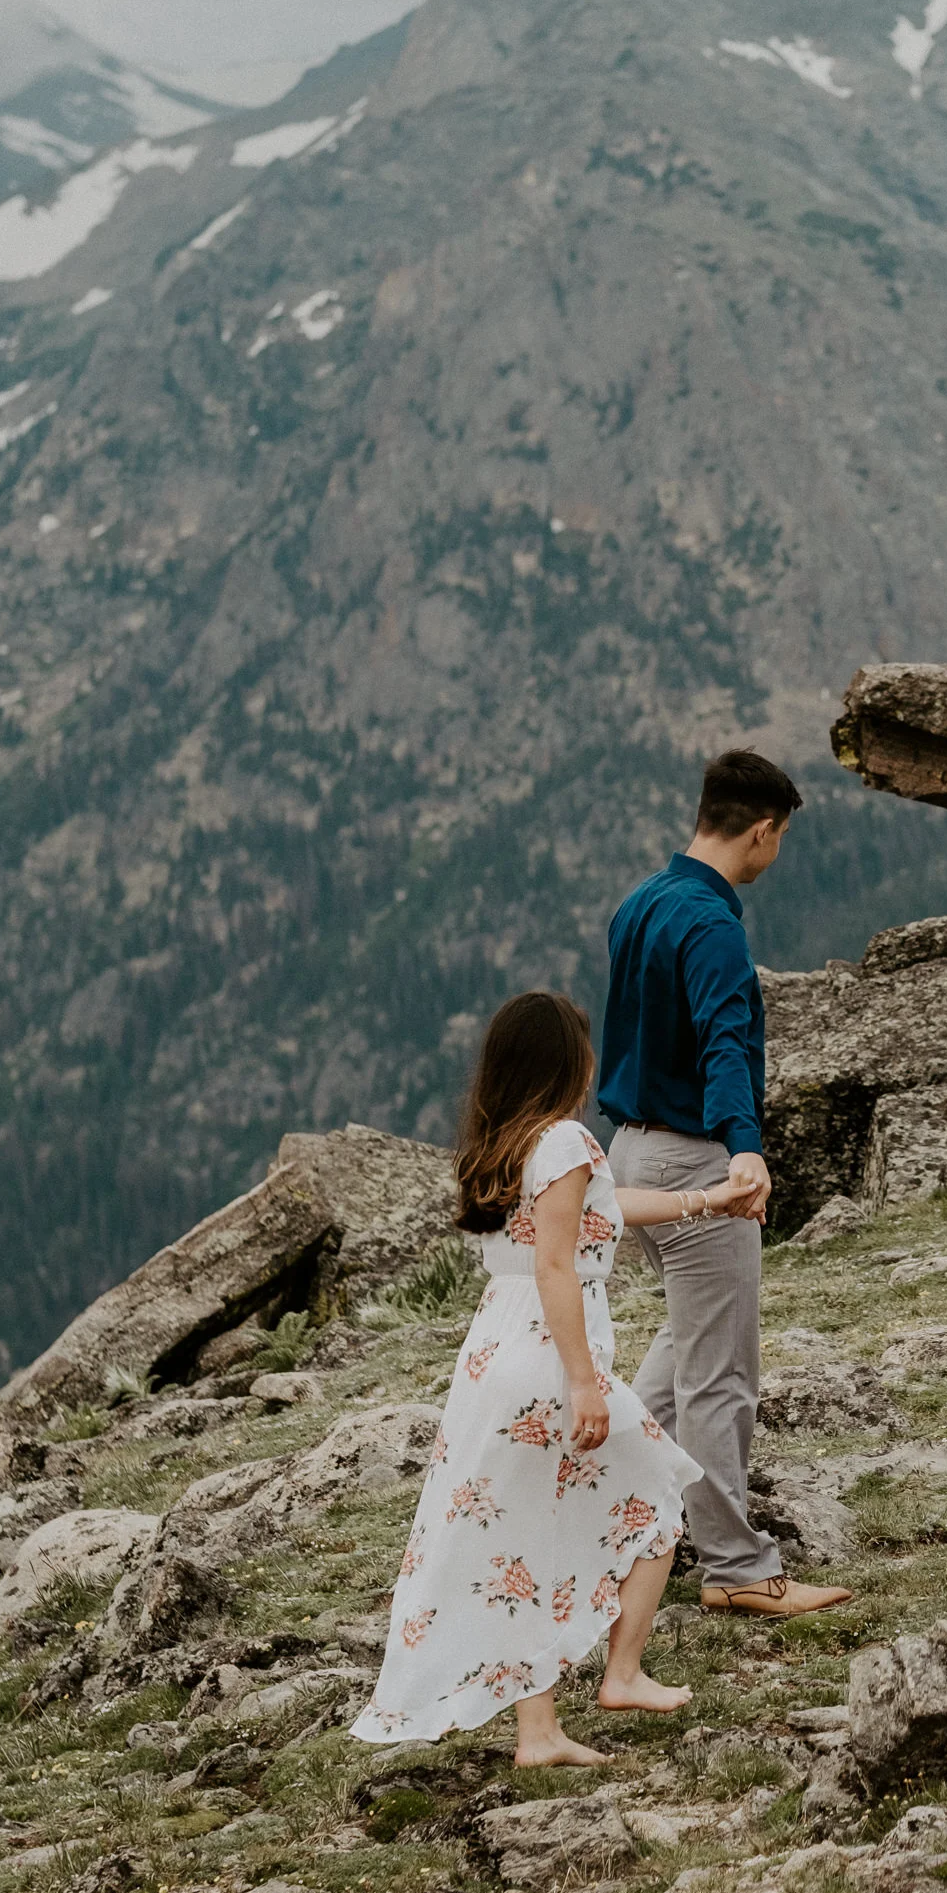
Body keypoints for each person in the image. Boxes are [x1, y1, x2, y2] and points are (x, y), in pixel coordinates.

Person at [352, 989, 753, 1767]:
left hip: (492, 1354)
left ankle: (538, 1732)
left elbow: (603, 1208)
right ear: (566, 1063)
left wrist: (706, 1201)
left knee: (523, 1540)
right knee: (658, 1496)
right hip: (545, 1354)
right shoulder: (566, 1139)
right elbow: (557, 1263)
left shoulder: (505, 1144)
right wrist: (583, 1382)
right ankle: (623, 1673)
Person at [601, 749, 854, 1620]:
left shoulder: (641, 902)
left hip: (629, 1153)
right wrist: (743, 1148)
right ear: (761, 829)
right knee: (722, 1380)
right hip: (692, 1159)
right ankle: (735, 1567)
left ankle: (605, 1509)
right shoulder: (712, 923)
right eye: (778, 838)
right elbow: (721, 1039)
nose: (774, 854)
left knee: (680, 1360)